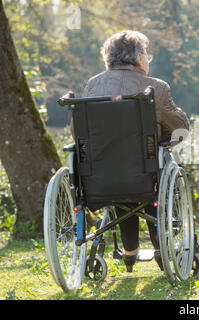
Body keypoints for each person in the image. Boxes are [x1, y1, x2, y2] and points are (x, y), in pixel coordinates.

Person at [80, 30, 190, 272]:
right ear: (140, 57)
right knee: (149, 165)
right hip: (145, 177)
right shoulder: (155, 88)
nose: (148, 60)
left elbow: (78, 134)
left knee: (120, 165)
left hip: (99, 179)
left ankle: (130, 250)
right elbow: (180, 128)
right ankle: (161, 248)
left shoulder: (92, 86)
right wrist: (161, 138)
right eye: (147, 55)